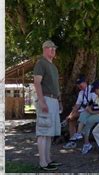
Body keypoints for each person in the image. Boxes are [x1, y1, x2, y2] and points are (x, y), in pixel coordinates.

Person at [33, 40, 63, 171]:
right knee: (43, 132)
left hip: (54, 101)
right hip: (45, 99)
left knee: (50, 133)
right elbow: (37, 83)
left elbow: (56, 87)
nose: (53, 50)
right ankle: (42, 163)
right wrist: (41, 101)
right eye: (50, 48)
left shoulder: (54, 67)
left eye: (54, 48)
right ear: (44, 49)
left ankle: (48, 160)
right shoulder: (41, 63)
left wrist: (59, 101)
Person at [63, 75, 93, 148]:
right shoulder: (81, 93)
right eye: (78, 84)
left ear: (85, 82)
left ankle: (84, 141)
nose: (79, 86)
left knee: (81, 116)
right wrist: (70, 115)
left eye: (80, 83)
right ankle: (72, 141)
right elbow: (77, 105)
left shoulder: (92, 90)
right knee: (71, 119)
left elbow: (96, 103)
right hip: (83, 111)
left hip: (91, 111)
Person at [80, 80, 99, 154]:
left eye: (95, 90)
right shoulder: (97, 96)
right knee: (85, 118)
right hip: (98, 114)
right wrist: (89, 108)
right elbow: (93, 105)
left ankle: (86, 143)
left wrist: (92, 112)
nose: (94, 92)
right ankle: (85, 141)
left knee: (88, 121)